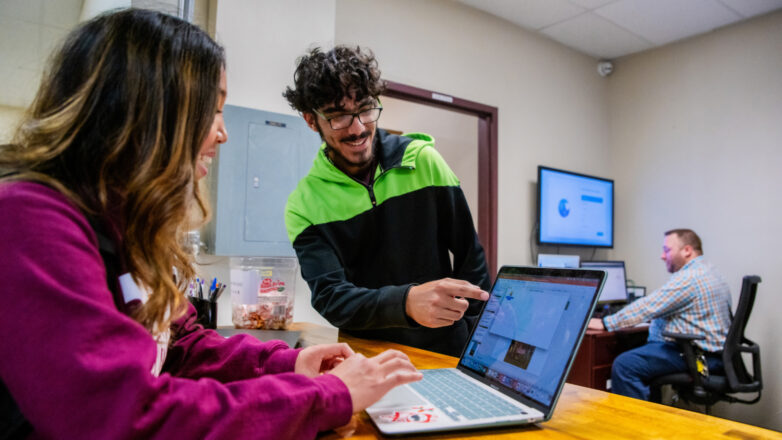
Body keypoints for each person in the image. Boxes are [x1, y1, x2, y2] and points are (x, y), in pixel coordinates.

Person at [0, 10, 420, 439]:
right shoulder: (29, 219)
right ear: (149, 109)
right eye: (213, 110)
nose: (223, 134)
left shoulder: (122, 224)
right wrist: (326, 396)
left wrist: (286, 363)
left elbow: (180, 346)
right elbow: (125, 416)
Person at [283, 46, 491, 357]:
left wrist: (476, 347)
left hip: (444, 354)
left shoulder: (424, 162)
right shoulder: (305, 204)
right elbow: (331, 298)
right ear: (312, 120)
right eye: (339, 116)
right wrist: (406, 302)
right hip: (364, 359)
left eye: (366, 109)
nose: (358, 128)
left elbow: (470, 261)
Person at [587, 229, 732, 400]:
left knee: (625, 365)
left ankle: (638, 425)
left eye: (667, 250)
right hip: (711, 354)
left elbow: (649, 306)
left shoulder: (690, 278)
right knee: (637, 353)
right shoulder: (708, 270)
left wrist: (605, 322)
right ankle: (652, 416)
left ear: (687, 250)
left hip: (699, 356)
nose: (663, 256)